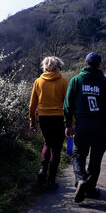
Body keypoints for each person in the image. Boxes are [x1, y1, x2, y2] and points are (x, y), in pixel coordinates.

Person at [63, 52, 106, 203]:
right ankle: (90, 189)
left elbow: (68, 105)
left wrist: (68, 124)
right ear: (99, 65)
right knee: (96, 159)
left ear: (85, 64)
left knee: (78, 155)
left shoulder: (76, 80)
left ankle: (80, 180)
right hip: (101, 127)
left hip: (82, 126)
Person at [29, 56, 68, 189]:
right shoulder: (63, 82)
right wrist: (71, 122)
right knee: (56, 149)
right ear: (58, 67)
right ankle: (51, 180)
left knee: (47, 143)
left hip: (44, 117)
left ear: (45, 67)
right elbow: (68, 105)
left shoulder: (38, 82)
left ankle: (42, 171)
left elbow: (32, 106)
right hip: (58, 118)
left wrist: (33, 122)